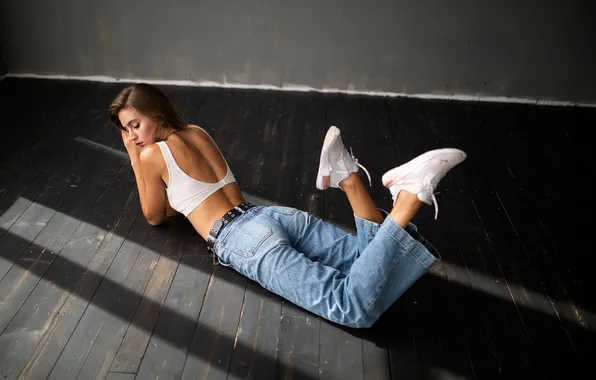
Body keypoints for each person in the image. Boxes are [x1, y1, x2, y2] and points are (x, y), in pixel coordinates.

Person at [108, 83, 467, 329]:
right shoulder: (197, 132)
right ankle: (347, 176)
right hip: (269, 215)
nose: (134, 137)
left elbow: (154, 215)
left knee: (351, 307)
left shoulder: (152, 154)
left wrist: (135, 159)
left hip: (242, 238)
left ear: (156, 114)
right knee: (370, 256)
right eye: (127, 132)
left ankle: (409, 197)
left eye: (135, 126)